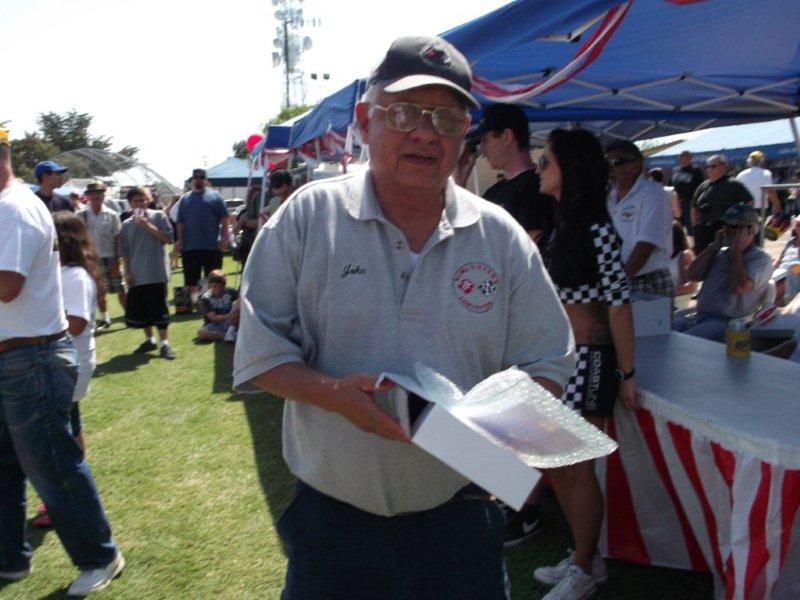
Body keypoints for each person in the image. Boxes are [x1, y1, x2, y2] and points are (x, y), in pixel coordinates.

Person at [233, 35, 575, 600]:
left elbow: (548, 359)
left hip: (461, 513)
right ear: (366, 121)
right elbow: (261, 351)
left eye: (446, 116)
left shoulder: (500, 237)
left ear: (465, 131)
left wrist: (498, 430)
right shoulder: (309, 218)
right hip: (333, 520)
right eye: (405, 112)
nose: (425, 132)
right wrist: (336, 393)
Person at [0, 138, 124, 595]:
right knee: (9, 467)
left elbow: (7, 286)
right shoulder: (12, 207)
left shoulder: (12, 210)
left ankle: (101, 556)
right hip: (19, 358)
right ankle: (10, 558)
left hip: (29, 359)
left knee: (52, 466)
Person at [536, 128, 637, 600]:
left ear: (569, 169)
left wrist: (627, 374)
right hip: (564, 360)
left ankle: (584, 567)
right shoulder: (567, 221)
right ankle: (585, 556)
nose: (540, 171)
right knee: (559, 464)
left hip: (592, 359)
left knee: (575, 466)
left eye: (546, 163)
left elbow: (619, 302)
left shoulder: (597, 225)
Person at [33, 211, 104, 529]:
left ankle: (64, 497)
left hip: (69, 361)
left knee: (58, 435)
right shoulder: (64, 271)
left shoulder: (74, 275)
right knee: (70, 426)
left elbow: (75, 323)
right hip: (66, 361)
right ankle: (66, 493)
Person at [674, 203, 773, 341]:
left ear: (752, 230)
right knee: (658, 333)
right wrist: (713, 247)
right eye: (725, 225)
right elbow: (692, 275)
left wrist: (736, 250)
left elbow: (739, 286)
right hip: (699, 316)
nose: (727, 230)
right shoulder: (720, 253)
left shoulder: (761, 259)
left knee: (681, 341)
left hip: (726, 323)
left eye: (734, 227)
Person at [469, 103, 556, 248]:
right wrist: (460, 177)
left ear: (507, 136)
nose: (482, 150)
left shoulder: (536, 186)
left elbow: (530, 251)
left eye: (485, 140)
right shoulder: (493, 192)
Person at [606, 140, 674, 298]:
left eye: (615, 162)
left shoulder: (652, 193)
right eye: (606, 163)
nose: (609, 168)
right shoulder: (609, 197)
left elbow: (646, 245)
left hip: (647, 280)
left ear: (636, 165)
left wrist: (619, 284)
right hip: (620, 280)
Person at [120, 187, 176, 359]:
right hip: (137, 275)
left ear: (149, 200)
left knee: (159, 309)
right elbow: (126, 252)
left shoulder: (158, 216)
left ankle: (164, 344)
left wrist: (148, 225)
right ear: (130, 204)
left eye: (143, 199)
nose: (141, 203)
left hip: (156, 272)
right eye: (136, 201)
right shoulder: (126, 225)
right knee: (142, 310)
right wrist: (127, 273)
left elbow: (168, 239)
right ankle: (150, 340)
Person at [175, 168, 230, 306]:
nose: (198, 179)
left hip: (212, 246)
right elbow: (180, 222)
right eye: (196, 177)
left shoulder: (216, 197)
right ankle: (195, 304)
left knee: (213, 279)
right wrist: (179, 240)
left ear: (206, 180)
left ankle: (212, 303)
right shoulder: (185, 199)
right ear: (192, 180)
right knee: (191, 280)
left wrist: (224, 239)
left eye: (201, 177)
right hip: (190, 247)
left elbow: (224, 219)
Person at [79, 181, 126, 328]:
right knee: (98, 291)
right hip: (90, 259)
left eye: (99, 193)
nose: (96, 196)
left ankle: (130, 315)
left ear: (104, 195)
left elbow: (117, 238)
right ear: (88, 196)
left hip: (110, 257)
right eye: (93, 193)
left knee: (120, 289)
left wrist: (117, 260)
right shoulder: (81, 215)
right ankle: (105, 318)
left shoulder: (112, 215)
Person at [691, 154, 753, 254]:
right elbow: (694, 208)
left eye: (713, 166)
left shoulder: (733, 184)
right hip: (703, 228)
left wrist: (738, 223)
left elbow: (749, 202)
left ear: (724, 167)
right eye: (707, 166)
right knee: (701, 258)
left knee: (722, 258)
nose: (709, 169)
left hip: (724, 228)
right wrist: (695, 227)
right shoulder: (703, 186)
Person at [196, 269, 239, 343]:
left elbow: (242, 297)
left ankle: (232, 333)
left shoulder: (229, 292)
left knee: (239, 303)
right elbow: (214, 318)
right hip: (213, 325)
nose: (218, 289)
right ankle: (227, 335)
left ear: (224, 286)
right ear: (209, 286)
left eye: (221, 286)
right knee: (201, 333)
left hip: (231, 322)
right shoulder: (205, 298)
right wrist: (231, 315)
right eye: (215, 286)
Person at [735, 150, 780, 214]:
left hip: (744, 207)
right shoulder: (766, 173)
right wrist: (777, 205)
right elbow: (770, 191)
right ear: (762, 161)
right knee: (761, 223)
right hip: (761, 207)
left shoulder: (741, 174)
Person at [669, 151, 703, 234]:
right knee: (676, 228)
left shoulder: (696, 170)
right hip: (676, 203)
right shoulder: (675, 170)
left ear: (690, 158)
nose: (683, 160)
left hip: (689, 203)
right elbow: (670, 186)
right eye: (681, 158)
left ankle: (692, 246)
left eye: (685, 158)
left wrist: (696, 203)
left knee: (691, 228)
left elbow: (700, 187)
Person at [773, 215, 800, 303]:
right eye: (798, 224)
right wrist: (772, 267)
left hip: (797, 269)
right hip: (783, 270)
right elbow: (780, 259)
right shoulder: (790, 241)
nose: (799, 227)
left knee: (791, 268)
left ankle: (789, 298)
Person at [670, 221, 698, 298]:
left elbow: (690, 286)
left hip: (681, 303)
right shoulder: (664, 256)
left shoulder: (685, 255)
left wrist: (666, 295)